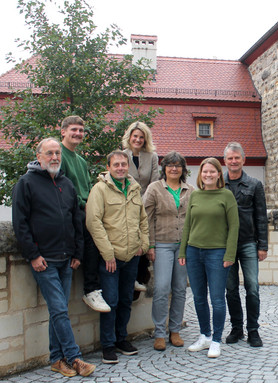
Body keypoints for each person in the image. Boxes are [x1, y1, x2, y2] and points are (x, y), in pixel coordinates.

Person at [12, 138, 96, 377]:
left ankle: (56, 359)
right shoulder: (26, 183)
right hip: (44, 259)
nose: (55, 157)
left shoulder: (66, 184)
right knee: (59, 309)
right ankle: (74, 357)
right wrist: (33, 255)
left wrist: (77, 252)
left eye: (57, 153)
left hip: (66, 258)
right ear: (38, 156)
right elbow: (20, 224)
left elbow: (76, 221)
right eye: (49, 153)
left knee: (58, 310)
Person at [86, 150, 151, 364]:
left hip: (131, 256)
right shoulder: (100, 190)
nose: (121, 168)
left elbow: (142, 219)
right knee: (110, 301)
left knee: (125, 300)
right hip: (110, 258)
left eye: (124, 164)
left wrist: (143, 244)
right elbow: (94, 223)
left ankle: (121, 339)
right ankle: (108, 345)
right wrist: (107, 254)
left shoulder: (134, 189)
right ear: (109, 167)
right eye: (117, 165)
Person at [178, 157, 239, 358]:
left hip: (217, 253)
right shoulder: (195, 196)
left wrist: (230, 254)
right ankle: (204, 335)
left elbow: (234, 227)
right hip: (194, 252)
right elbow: (188, 224)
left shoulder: (227, 195)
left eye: (212, 171)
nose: (208, 175)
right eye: (205, 171)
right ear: (200, 174)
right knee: (198, 297)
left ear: (219, 174)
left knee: (217, 299)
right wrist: (183, 250)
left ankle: (216, 340)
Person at [142, 151, 195, 351]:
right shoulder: (154, 188)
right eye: (170, 165)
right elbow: (147, 218)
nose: (174, 168)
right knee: (162, 288)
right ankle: (159, 333)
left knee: (180, 288)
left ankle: (175, 330)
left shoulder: (190, 190)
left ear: (183, 169)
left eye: (178, 165)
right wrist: (150, 245)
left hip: (183, 246)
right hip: (162, 244)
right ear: (164, 168)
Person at [60, 115, 110, 313]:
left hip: (85, 207)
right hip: (72, 210)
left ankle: (119, 276)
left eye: (81, 131)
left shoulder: (80, 160)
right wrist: (85, 205)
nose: (78, 134)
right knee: (92, 234)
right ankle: (91, 289)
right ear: (63, 131)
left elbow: (88, 187)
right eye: (73, 130)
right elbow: (64, 189)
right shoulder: (59, 155)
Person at [223, 142, 269, 348]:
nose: (233, 161)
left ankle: (253, 330)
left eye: (236, 158)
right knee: (231, 289)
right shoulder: (218, 184)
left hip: (249, 243)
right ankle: (236, 328)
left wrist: (263, 245)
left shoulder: (254, 185)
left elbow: (261, 217)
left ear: (243, 160)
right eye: (230, 158)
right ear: (225, 161)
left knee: (252, 287)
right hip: (225, 246)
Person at [122, 121, 160, 293]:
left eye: (141, 137)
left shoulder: (152, 156)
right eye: (135, 136)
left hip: (147, 205)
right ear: (129, 137)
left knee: (144, 239)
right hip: (126, 205)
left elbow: (155, 182)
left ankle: (141, 277)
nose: (137, 140)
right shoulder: (121, 155)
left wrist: (143, 203)